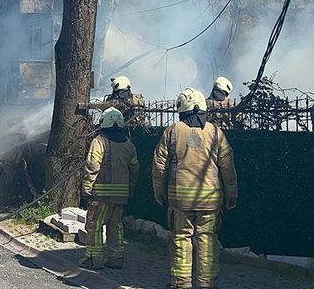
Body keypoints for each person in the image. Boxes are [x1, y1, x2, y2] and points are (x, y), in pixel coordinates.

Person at [152, 88, 238, 289]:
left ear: (181, 108)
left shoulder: (172, 132)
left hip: (180, 201)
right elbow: (227, 165)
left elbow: (159, 165)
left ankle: (181, 284)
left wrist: (158, 190)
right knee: (207, 241)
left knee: (181, 239)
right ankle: (207, 284)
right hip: (210, 200)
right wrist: (232, 193)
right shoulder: (216, 133)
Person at [79, 107, 139, 270]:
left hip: (101, 195)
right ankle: (116, 259)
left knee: (95, 225)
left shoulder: (99, 141)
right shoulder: (128, 144)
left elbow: (92, 167)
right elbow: (134, 169)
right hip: (120, 196)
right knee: (116, 226)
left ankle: (94, 260)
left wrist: (86, 188)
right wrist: (130, 188)